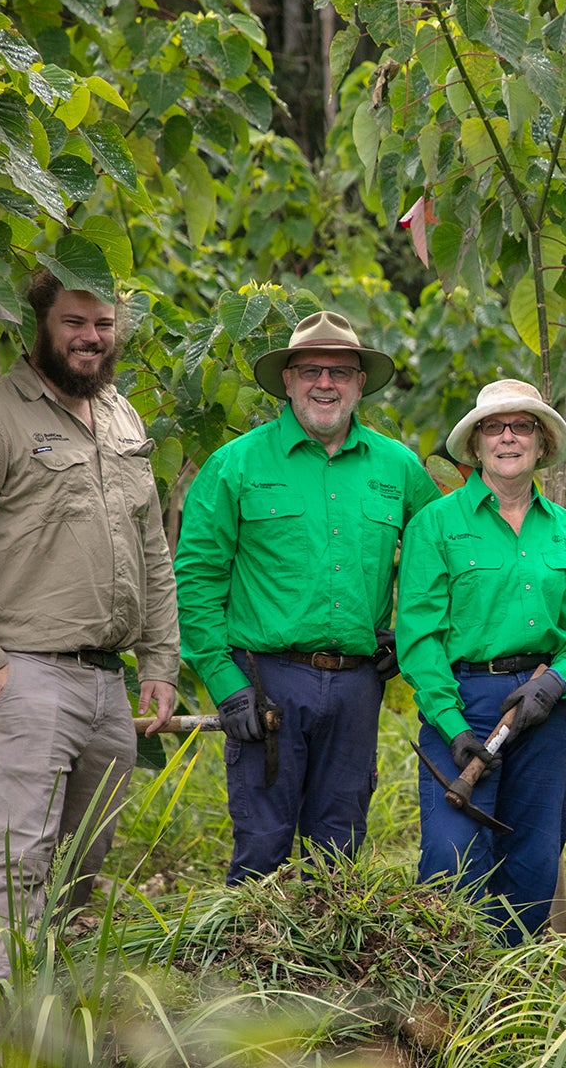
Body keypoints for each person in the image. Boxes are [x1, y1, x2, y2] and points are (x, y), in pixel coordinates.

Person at [0, 265, 180, 1010]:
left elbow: (152, 548)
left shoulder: (123, 418)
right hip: (22, 675)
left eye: (103, 325)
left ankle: (48, 1025)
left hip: (105, 683)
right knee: (15, 866)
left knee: (77, 871)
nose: (91, 338)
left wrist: (159, 660)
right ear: (41, 323)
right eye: (75, 322)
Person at [173, 310, 439, 884]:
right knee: (262, 844)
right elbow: (195, 580)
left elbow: (434, 562)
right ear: (287, 380)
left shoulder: (398, 468)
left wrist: (408, 637)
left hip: (356, 684)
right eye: (312, 370)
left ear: (360, 383)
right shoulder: (236, 465)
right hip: (266, 681)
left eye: (341, 371)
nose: (327, 382)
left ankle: (328, 975)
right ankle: (245, 972)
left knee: (339, 850)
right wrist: (225, 684)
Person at [396, 379, 566, 945]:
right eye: (494, 427)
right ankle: (447, 994)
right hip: (465, 703)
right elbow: (419, 637)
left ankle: (512, 1001)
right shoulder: (435, 527)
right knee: (451, 854)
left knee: (535, 856)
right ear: (477, 444)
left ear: (541, 445)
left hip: (545, 707)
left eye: (522, 426)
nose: (508, 437)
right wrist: (454, 725)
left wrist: (558, 681)